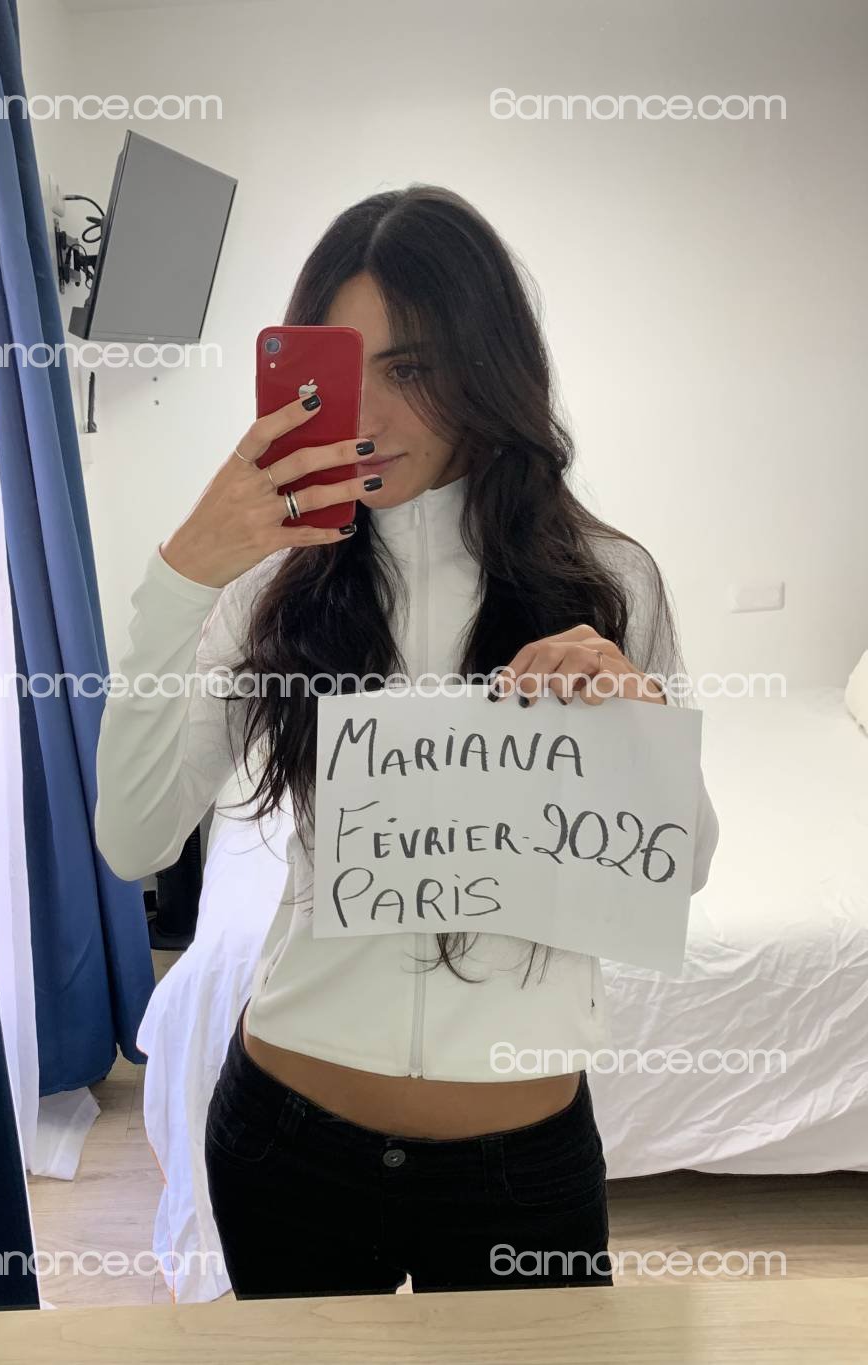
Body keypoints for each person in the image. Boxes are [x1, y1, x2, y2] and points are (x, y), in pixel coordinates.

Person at [94, 185, 720, 1299]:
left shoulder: (608, 583)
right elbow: (134, 839)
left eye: (412, 368)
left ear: (487, 369)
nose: (369, 418)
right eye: (344, 372)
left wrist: (636, 724)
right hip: (288, 1142)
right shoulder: (270, 590)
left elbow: (681, 871)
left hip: (521, 1166)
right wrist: (179, 579)